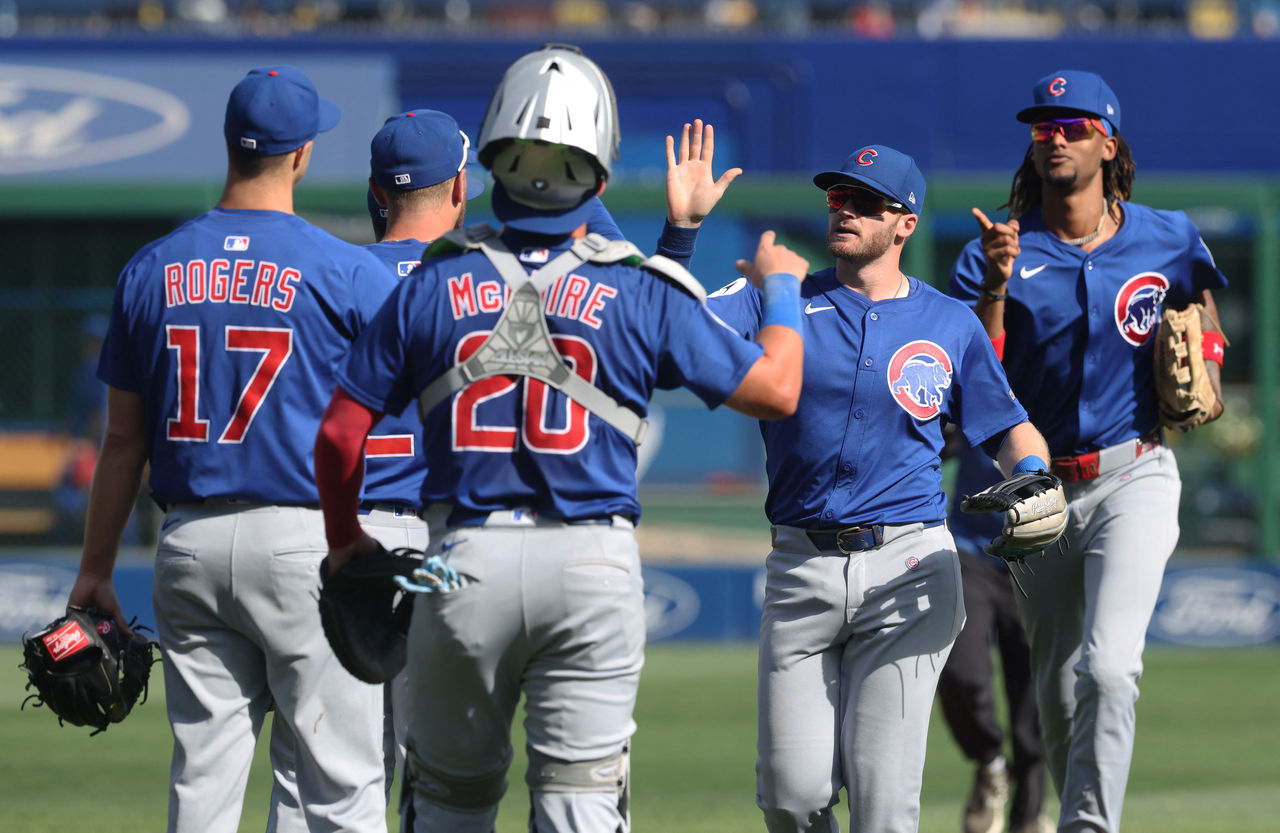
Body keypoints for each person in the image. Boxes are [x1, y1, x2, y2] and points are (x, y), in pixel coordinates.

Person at [313, 44, 810, 833]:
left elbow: (341, 433)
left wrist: (345, 541)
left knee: (446, 805)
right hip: (590, 563)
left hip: (462, 560)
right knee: (579, 804)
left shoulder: (434, 281)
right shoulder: (638, 287)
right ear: (601, 176)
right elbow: (777, 389)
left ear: (489, 164)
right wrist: (779, 287)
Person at [684, 142, 1056, 833]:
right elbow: (668, 330)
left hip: (909, 566)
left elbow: (1009, 427)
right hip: (801, 565)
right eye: (838, 198)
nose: (845, 210)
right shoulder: (779, 296)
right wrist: (685, 228)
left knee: (884, 804)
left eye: (865, 202)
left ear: (905, 223)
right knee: (792, 798)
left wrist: (1034, 477)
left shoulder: (949, 321)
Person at [66, 65, 398, 833]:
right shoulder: (348, 269)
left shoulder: (149, 268)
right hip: (303, 541)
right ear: (302, 154)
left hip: (189, 543)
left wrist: (94, 569)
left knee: (203, 786)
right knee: (338, 787)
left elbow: (122, 442)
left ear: (227, 143)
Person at [949, 69, 1228, 833]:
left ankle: (1088, 825)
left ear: (1108, 144)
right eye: (1043, 128)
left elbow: (1202, 300)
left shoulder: (1166, 235)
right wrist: (997, 284)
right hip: (1038, 495)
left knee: (1107, 667)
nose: (1055, 138)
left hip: (1134, 471)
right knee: (1056, 690)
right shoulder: (994, 252)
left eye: (1073, 127)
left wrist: (1207, 357)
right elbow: (976, 377)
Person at [360, 107, 486, 791]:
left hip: (341, 534)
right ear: (460, 187)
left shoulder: (334, 274)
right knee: (438, 777)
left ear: (376, 191)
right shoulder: (488, 281)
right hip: (446, 541)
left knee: (325, 776)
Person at [937, 439, 1049, 833]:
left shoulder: (1061, 399)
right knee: (959, 671)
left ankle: (1030, 814)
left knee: (1037, 697)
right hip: (971, 552)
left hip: (1042, 555)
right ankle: (991, 764)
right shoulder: (975, 396)